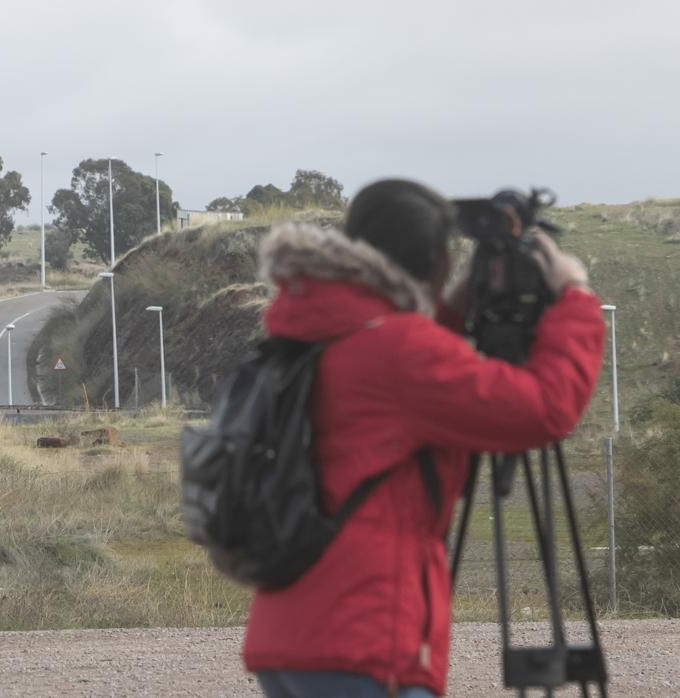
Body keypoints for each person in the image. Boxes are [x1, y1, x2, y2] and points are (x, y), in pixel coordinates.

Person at [243, 179, 606, 697]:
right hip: (361, 640)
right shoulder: (400, 350)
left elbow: (401, 368)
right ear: (435, 260)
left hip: (295, 632)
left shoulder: (322, 329)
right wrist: (576, 296)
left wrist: (451, 310)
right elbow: (543, 409)